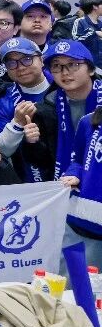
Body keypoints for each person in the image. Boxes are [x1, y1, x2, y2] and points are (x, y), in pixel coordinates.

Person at [19, 39, 102, 183]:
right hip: (67, 183)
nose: (65, 72)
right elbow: (43, 162)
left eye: (73, 64)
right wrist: (32, 143)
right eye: (56, 66)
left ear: (91, 69)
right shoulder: (45, 110)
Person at [0, 37, 52, 165]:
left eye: (27, 59)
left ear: (41, 60)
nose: (20, 67)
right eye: (11, 63)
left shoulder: (63, 84)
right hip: (30, 172)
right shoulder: (4, 103)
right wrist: (16, 124)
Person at [63, 101, 102, 268]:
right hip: (80, 222)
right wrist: (74, 174)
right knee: (74, 282)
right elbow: (77, 159)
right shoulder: (88, 121)